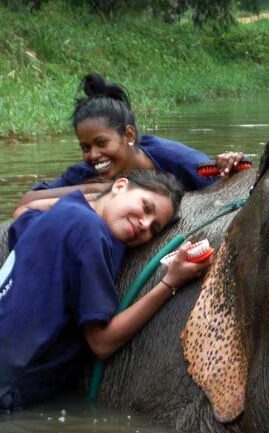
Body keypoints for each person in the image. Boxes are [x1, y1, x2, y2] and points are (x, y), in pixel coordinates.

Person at [0, 169, 208, 410]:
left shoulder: (65, 210)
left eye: (154, 229)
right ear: (120, 185)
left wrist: (97, 198)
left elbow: (23, 212)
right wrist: (170, 282)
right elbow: (102, 343)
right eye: (146, 207)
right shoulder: (91, 233)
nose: (144, 225)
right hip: (9, 385)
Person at [16, 72, 247, 211]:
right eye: (85, 148)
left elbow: (226, 186)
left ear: (129, 136)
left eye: (101, 143)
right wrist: (96, 188)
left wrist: (230, 165)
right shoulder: (86, 172)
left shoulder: (173, 158)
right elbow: (28, 200)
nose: (93, 155)